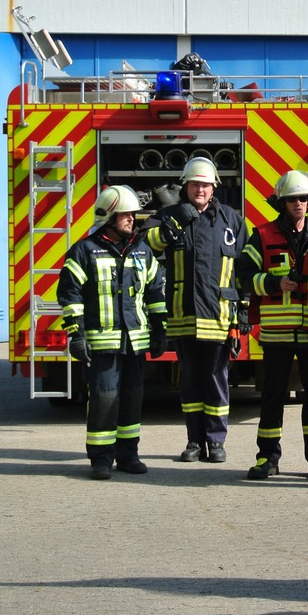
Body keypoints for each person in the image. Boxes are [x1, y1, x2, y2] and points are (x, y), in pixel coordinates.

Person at [56, 185, 167, 480]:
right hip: (102, 343)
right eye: (125, 215)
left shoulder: (142, 251)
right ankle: (101, 459)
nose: (132, 219)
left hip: (135, 342)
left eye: (133, 214)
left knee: (133, 397)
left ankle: (128, 455)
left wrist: (159, 330)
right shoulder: (84, 251)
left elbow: (156, 291)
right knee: (104, 399)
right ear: (108, 216)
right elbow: (70, 296)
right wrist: (76, 335)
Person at [144, 156, 248, 464]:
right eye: (194, 185)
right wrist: (174, 224)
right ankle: (193, 441)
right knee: (189, 381)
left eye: (204, 185)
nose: (199, 190)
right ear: (185, 187)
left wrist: (244, 312)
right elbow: (144, 246)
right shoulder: (168, 216)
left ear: (213, 187)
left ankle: (215, 442)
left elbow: (245, 267)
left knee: (217, 380)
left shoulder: (232, 220)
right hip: (183, 315)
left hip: (219, 317)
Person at [236, 170, 308, 480]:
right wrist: (275, 283)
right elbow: (243, 277)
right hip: (276, 334)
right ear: (282, 202)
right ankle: (267, 458)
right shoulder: (262, 236)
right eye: (292, 198)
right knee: (272, 397)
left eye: (304, 198)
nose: (298, 203)